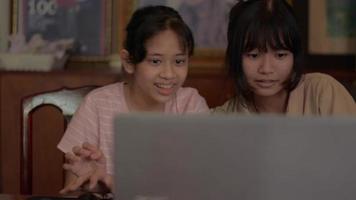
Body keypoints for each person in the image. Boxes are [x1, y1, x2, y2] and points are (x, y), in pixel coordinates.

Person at [57, 5, 209, 194]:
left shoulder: (191, 105)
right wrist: (94, 185)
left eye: (179, 61)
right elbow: (72, 190)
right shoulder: (97, 105)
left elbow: (200, 187)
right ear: (129, 62)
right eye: (155, 61)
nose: (169, 74)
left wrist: (114, 182)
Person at [213, 0, 355, 115]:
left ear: (295, 56)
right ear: (236, 56)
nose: (266, 69)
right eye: (254, 55)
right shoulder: (226, 116)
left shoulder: (322, 92)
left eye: (280, 55)